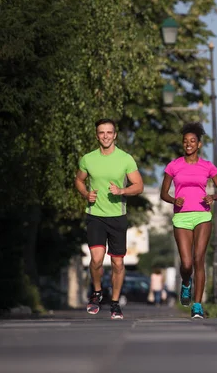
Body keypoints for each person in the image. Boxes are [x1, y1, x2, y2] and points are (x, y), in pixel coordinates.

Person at [75, 118, 143, 320]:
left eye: (109, 132)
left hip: (117, 217)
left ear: (115, 135)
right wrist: (86, 194)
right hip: (95, 215)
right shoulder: (88, 159)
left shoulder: (125, 159)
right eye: (101, 132)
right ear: (97, 135)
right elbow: (79, 180)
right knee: (96, 260)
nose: (105, 136)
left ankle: (115, 303)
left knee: (117, 264)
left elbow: (138, 185)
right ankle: (96, 293)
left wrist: (122, 190)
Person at [160, 122, 217, 319]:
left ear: (198, 145)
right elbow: (163, 193)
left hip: (203, 215)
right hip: (181, 216)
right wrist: (174, 199)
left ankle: (197, 305)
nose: (188, 144)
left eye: (192, 141)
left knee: (199, 259)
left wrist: (212, 197)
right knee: (187, 263)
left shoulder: (208, 166)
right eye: (185, 141)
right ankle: (186, 282)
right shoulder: (173, 166)